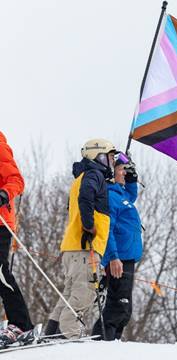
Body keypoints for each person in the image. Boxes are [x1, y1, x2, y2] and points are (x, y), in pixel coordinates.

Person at [44, 139, 116, 338]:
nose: (112, 163)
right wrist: (89, 225)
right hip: (85, 247)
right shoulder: (94, 175)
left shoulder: (82, 176)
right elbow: (86, 197)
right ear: (98, 156)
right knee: (83, 293)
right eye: (110, 157)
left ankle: (51, 334)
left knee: (69, 295)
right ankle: (69, 336)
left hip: (74, 248)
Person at [92, 152, 142, 340]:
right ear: (112, 173)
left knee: (124, 309)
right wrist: (113, 256)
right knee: (118, 306)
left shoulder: (122, 195)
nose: (125, 173)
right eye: (122, 170)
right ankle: (101, 343)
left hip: (127, 257)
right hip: (118, 258)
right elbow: (107, 229)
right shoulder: (111, 196)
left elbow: (131, 194)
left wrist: (132, 177)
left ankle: (114, 343)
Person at [0, 131, 33, 344]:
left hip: (0, 222)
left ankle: (20, 324)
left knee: (0, 271)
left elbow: (16, 180)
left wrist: (3, 194)